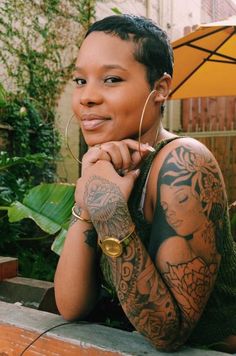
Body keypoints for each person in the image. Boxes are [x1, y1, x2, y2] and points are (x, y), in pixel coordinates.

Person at [54, 14, 236, 353]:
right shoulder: (106, 165)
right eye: (80, 81)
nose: (86, 97)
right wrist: (88, 201)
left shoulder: (184, 163)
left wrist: (109, 210)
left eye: (110, 79)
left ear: (160, 89)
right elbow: (71, 305)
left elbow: (168, 332)